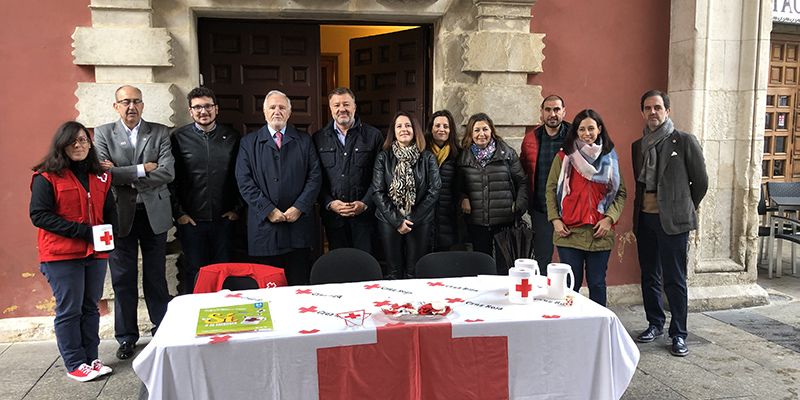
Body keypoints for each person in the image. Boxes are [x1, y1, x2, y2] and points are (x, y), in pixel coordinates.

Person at [30, 121, 115, 381]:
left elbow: (108, 211)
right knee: (70, 309)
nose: (79, 146)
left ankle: (92, 358)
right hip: (61, 255)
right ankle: (75, 362)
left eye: (83, 141)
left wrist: (110, 235)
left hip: (96, 253)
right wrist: (83, 232)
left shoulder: (100, 175)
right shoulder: (46, 176)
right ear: (62, 145)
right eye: (73, 142)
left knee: (91, 307)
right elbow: (39, 215)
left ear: (90, 145)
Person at [94, 85, 174, 360]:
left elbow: (167, 172)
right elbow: (104, 175)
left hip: (154, 213)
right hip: (120, 215)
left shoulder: (160, 131)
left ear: (143, 104)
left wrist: (121, 173)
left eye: (136, 101)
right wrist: (143, 168)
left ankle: (161, 330)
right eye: (125, 101)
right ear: (115, 105)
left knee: (156, 276)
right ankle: (126, 337)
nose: (131, 107)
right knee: (122, 278)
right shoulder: (103, 133)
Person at [632, 90, 708, 357]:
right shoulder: (638, 146)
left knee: (675, 279)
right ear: (642, 112)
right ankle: (655, 323)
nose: (652, 112)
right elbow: (641, 185)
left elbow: (700, 182)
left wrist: (683, 205)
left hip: (673, 222)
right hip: (645, 219)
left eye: (657, 107)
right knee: (649, 275)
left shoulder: (684, 141)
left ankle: (679, 333)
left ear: (667, 110)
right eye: (647, 108)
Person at [235, 90, 321, 285]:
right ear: (264, 112)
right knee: (268, 288)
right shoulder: (248, 143)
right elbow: (244, 181)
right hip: (265, 228)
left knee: (299, 285)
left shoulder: (304, 141)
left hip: (297, 227)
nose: (277, 111)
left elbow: (315, 177)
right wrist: (268, 210)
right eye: (272, 107)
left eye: (282, 107)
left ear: (289, 113)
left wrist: (299, 207)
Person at [545, 109, 626, 307]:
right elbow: (550, 190)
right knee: (570, 286)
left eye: (591, 128)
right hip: (569, 232)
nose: (586, 133)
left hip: (600, 232)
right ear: (576, 131)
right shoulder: (565, 157)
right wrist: (555, 220)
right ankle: (571, 326)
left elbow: (620, 192)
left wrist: (609, 219)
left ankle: (597, 326)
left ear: (599, 129)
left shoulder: (610, 158)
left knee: (597, 284)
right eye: (581, 129)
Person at [169, 87, 241, 294]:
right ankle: (197, 319)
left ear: (216, 109)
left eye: (208, 106)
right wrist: (179, 213)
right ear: (190, 111)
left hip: (224, 220)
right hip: (192, 221)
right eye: (197, 107)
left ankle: (227, 318)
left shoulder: (232, 136)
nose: (203, 111)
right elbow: (170, 180)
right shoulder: (178, 138)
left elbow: (242, 176)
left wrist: (237, 209)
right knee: (194, 272)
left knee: (225, 272)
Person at [313, 87, 383, 252]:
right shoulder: (318, 138)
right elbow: (315, 178)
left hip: (365, 218)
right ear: (330, 109)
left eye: (346, 104)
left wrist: (365, 203)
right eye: (336, 105)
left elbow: (380, 177)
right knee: (340, 266)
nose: (341, 109)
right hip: (334, 218)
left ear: (354, 107)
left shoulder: (373, 136)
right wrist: (330, 203)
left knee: (365, 266)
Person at [372, 111, 441, 279]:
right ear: (393, 131)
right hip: (389, 220)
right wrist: (397, 220)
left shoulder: (427, 157)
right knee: (393, 271)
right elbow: (377, 191)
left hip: (419, 220)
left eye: (408, 125)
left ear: (415, 130)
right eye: (399, 126)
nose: (404, 129)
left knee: (415, 271)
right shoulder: (383, 157)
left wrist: (412, 218)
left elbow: (435, 189)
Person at [457, 113, 527, 274]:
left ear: (492, 131)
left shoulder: (507, 154)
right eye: (476, 130)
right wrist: (463, 198)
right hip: (477, 222)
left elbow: (522, 181)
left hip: (504, 220)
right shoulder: (464, 158)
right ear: (470, 134)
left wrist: (519, 206)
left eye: (485, 129)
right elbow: (458, 187)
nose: (481, 134)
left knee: (505, 266)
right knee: (482, 266)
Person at [520, 94, 569, 273]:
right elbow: (523, 171)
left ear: (564, 111)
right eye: (548, 109)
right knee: (542, 257)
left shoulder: (574, 136)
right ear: (541, 113)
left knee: (568, 259)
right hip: (540, 208)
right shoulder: (531, 139)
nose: (552, 114)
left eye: (556, 109)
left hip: (569, 209)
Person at [425, 110, 461, 251]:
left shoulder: (458, 153)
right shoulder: (422, 152)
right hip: (425, 215)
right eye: (437, 126)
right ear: (431, 128)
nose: (441, 129)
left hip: (448, 216)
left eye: (445, 126)